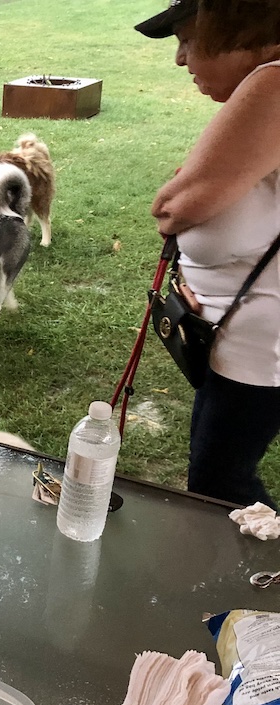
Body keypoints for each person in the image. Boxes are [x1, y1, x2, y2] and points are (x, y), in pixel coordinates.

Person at [136, 0, 280, 509]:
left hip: (262, 353)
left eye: (186, 38)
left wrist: (184, 195)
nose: (180, 59)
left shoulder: (274, 83)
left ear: (232, 22)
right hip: (239, 340)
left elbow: (172, 207)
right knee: (217, 471)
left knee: (221, 486)